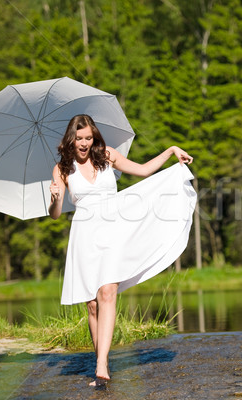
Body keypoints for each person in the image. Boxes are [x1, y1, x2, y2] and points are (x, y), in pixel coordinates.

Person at [48, 114, 195, 386]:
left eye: (88, 138)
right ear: (71, 138)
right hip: (84, 234)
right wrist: (56, 199)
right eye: (79, 138)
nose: (83, 143)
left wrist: (171, 151)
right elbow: (55, 215)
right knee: (91, 305)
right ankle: (101, 359)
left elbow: (143, 170)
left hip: (113, 228)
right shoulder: (62, 168)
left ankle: (102, 366)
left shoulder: (107, 155)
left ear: (94, 137)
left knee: (107, 291)